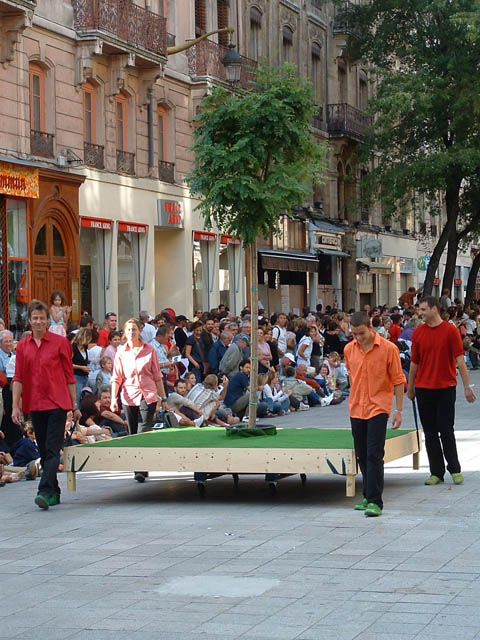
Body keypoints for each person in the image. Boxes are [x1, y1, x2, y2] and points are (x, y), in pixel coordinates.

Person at [12, 299, 78, 510]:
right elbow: (18, 377)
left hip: (57, 403)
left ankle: (43, 490)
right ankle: (54, 491)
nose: (38, 321)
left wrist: (74, 405)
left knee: (51, 448)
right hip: (35, 404)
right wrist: (15, 406)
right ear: (29, 321)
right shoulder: (23, 346)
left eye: (42, 318)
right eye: (35, 318)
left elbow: (69, 376)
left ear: (48, 321)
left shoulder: (60, 343)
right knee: (44, 449)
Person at [407, 296, 476, 486]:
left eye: (423, 310)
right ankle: (436, 472)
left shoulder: (450, 331)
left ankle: (454, 469)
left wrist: (467, 387)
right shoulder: (418, 332)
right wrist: (410, 387)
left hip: (445, 387)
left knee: (446, 430)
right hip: (423, 388)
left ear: (434, 309)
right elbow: (414, 362)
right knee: (429, 433)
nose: (419, 313)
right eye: (419, 310)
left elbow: (460, 360)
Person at [344, 311, 406, 517]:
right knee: (361, 452)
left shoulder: (389, 349)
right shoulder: (348, 349)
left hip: (379, 407)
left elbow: (398, 380)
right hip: (356, 407)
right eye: (354, 334)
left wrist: (398, 410)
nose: (358, 338)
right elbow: (352, 376)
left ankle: (375, 501)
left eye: (361, 333)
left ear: (370, 327)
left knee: (374, 453)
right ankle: (367, 494)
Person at [111, 318, 167, 482]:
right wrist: (114, 398)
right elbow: (116, 377)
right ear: (124, 332)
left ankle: (140, 469)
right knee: (133, 432)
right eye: (128, 330)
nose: (131, 333)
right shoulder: (121, 352)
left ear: (139, 331)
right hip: (128, 395)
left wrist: (163, 398)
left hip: (147, 394)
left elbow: (157, 376)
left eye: (134, 329)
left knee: (143, 430)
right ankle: (139, 465)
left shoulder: (149, 349)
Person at [72, 328, 92, 405]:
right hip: (76, 375)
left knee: (86, 398)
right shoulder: (73, 347)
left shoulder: (85, 347)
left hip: (85, 375)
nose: (87, 342)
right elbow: (68, 364)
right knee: (77, 398)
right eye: (86, 340)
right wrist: (81, 367)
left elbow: (82, 358)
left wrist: (86, 361)